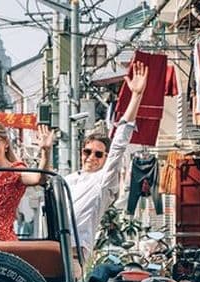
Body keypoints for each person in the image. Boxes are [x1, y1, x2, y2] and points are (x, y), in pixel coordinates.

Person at [63, 61, 149, 261]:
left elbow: (119, 144)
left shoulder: (104, 180)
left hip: (76, 251)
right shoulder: (67, 180)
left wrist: (136, 96)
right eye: (87, 152)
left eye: (98, 154)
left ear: (105, 158)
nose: (91, 157)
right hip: (53, 246)